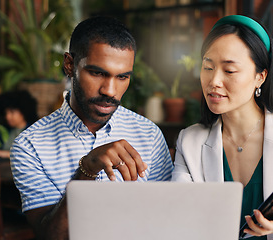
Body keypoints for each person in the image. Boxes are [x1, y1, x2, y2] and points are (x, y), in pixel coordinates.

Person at [171, 15, 273, 240]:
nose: (214, 81)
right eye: (208, 67)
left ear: (260, 77)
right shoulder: (189, 141)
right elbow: (179, 218)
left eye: (229, 71)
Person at [10, 16, 173, 240]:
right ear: (69, 64)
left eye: (122, 77)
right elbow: (51, 236)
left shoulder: (149, 135)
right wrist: (86, 169)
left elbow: (169, 221)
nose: (110, 90)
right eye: (97, 73)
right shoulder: (30, 145)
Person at [0, 90, 38, 159]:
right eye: (6, 113)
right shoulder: (2, 131)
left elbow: (30, 155)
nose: (7, 117)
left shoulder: (33, 133)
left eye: (12, 112)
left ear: (23, 112)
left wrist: (3, 154)